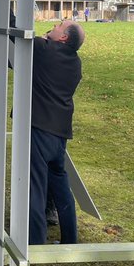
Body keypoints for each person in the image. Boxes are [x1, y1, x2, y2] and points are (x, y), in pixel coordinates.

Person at [28, 19, 84, 246]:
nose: (55, 24)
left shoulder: (45, 50)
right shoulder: (75, 61)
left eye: (60, 25)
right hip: (60, 133)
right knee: (61, 188)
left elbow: (14, 31)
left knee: (35, 187)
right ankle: (70, 239)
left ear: (63, 38)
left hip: (40, 129)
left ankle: (34, 243)